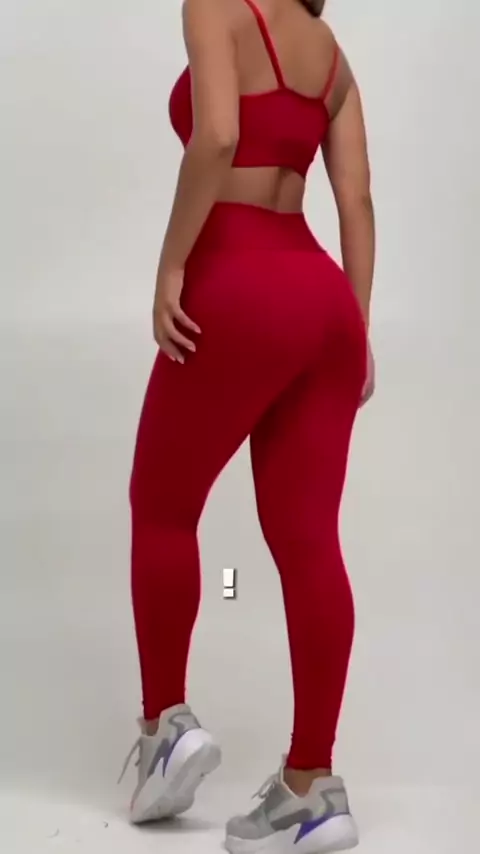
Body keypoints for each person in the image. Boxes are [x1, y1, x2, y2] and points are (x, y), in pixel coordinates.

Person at [119, 0, 375, 851]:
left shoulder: (215, 6)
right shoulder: (330, 56)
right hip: (323, 301)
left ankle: (166, 729)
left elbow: (218, 137)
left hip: (239, 280)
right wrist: (358, 330)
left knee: (162, 506)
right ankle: (313, 785)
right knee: (310, 544)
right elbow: (357, 201)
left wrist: (172, 265)